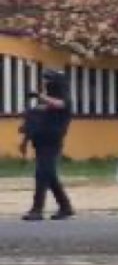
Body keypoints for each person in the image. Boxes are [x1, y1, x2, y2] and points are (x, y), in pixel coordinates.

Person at [18, 69, 74, 221]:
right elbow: (32, 122)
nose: (45, 82)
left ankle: (37, 209)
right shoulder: (43, 103)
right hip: (40, 142)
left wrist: (40, 96)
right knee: (49, 175)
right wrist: (24, 141)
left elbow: (61, 104)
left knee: (42, 175)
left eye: (48, 80)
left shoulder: (63, 100)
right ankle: (65, 207)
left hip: (52, 143)